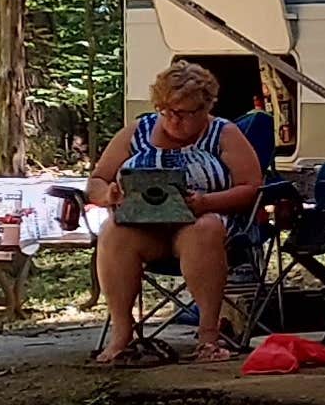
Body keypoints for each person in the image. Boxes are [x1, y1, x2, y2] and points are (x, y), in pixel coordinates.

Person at [87, 58, 267, 366]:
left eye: (183, 113)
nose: (173, 119)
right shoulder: (137, 132)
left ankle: (208, 336)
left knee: (204, 229)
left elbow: (251, 187)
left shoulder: (224, 134)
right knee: (113, 229)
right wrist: (109, 195)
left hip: (206, 225)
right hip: (146, 229)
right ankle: (122, 335)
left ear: (206, 107)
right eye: (166, 110)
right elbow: (97, 181)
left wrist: (206, 202)